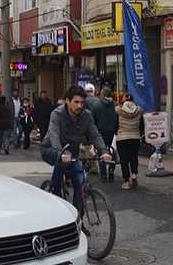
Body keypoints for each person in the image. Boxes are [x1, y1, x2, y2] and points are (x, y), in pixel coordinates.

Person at [42, 85, 112, 215]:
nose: (80, 105)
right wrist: (60, 153)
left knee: (80, 183)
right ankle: (54, 193)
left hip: (72, 153)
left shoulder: (87, 115)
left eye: (82, 102)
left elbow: (94, 134)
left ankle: (77, 218)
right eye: (76, 102)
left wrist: (104, 151)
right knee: (62, 163)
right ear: (67, 101)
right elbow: (53, 135)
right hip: (51, 149)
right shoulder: (57, 114)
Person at [116, 95, 143, 190]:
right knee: (133, 158)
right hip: (135, 137)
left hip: (122, 138)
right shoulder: (139, 111)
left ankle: (126, 181)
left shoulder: (119, 111)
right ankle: (134, 174)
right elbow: (141, 125)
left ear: (124, 100)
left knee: (124, 160)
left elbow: (116, 124)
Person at [91, 88, 119, 182]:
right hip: (113, 132)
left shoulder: (96, 105)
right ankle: (111, 171)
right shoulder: (116, 105)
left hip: (100, 132)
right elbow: (119, 119)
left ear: (102, 94)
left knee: (101, 152)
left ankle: (103, 174)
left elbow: (92, 120)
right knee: (112, 152)